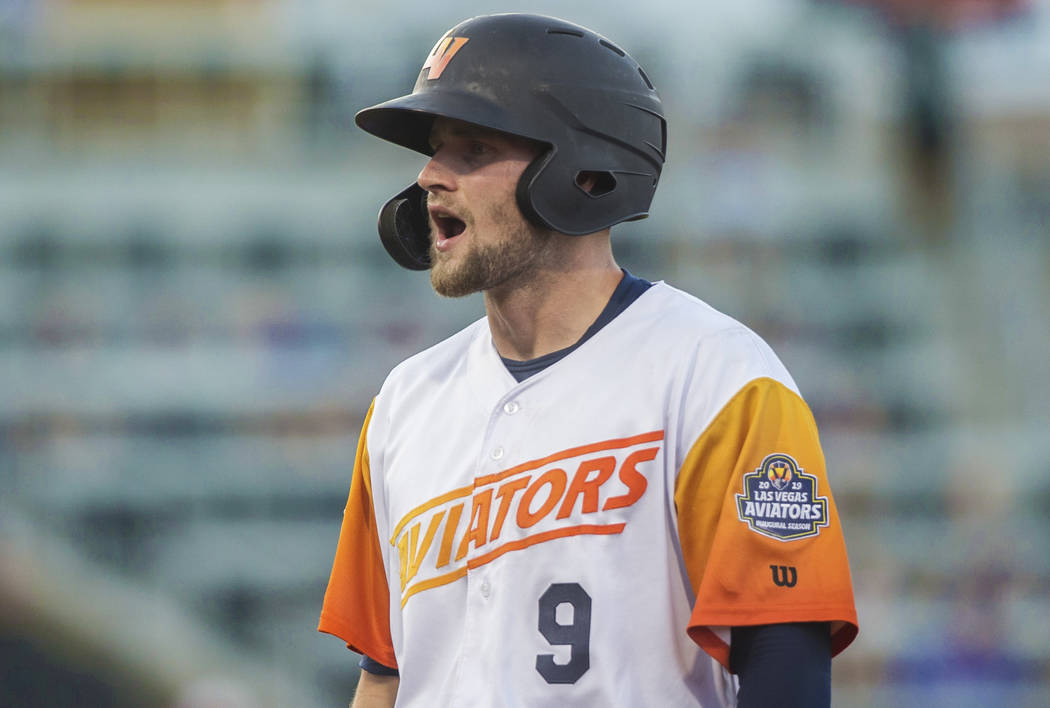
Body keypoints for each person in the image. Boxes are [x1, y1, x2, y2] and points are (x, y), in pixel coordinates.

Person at [319, 13, 858, 708]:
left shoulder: (715, 376)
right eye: (433, 151)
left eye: (472, 149)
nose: (428, 177)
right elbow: (384, 673)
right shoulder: (404, 401)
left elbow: (785, 660)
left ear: (584, 174)